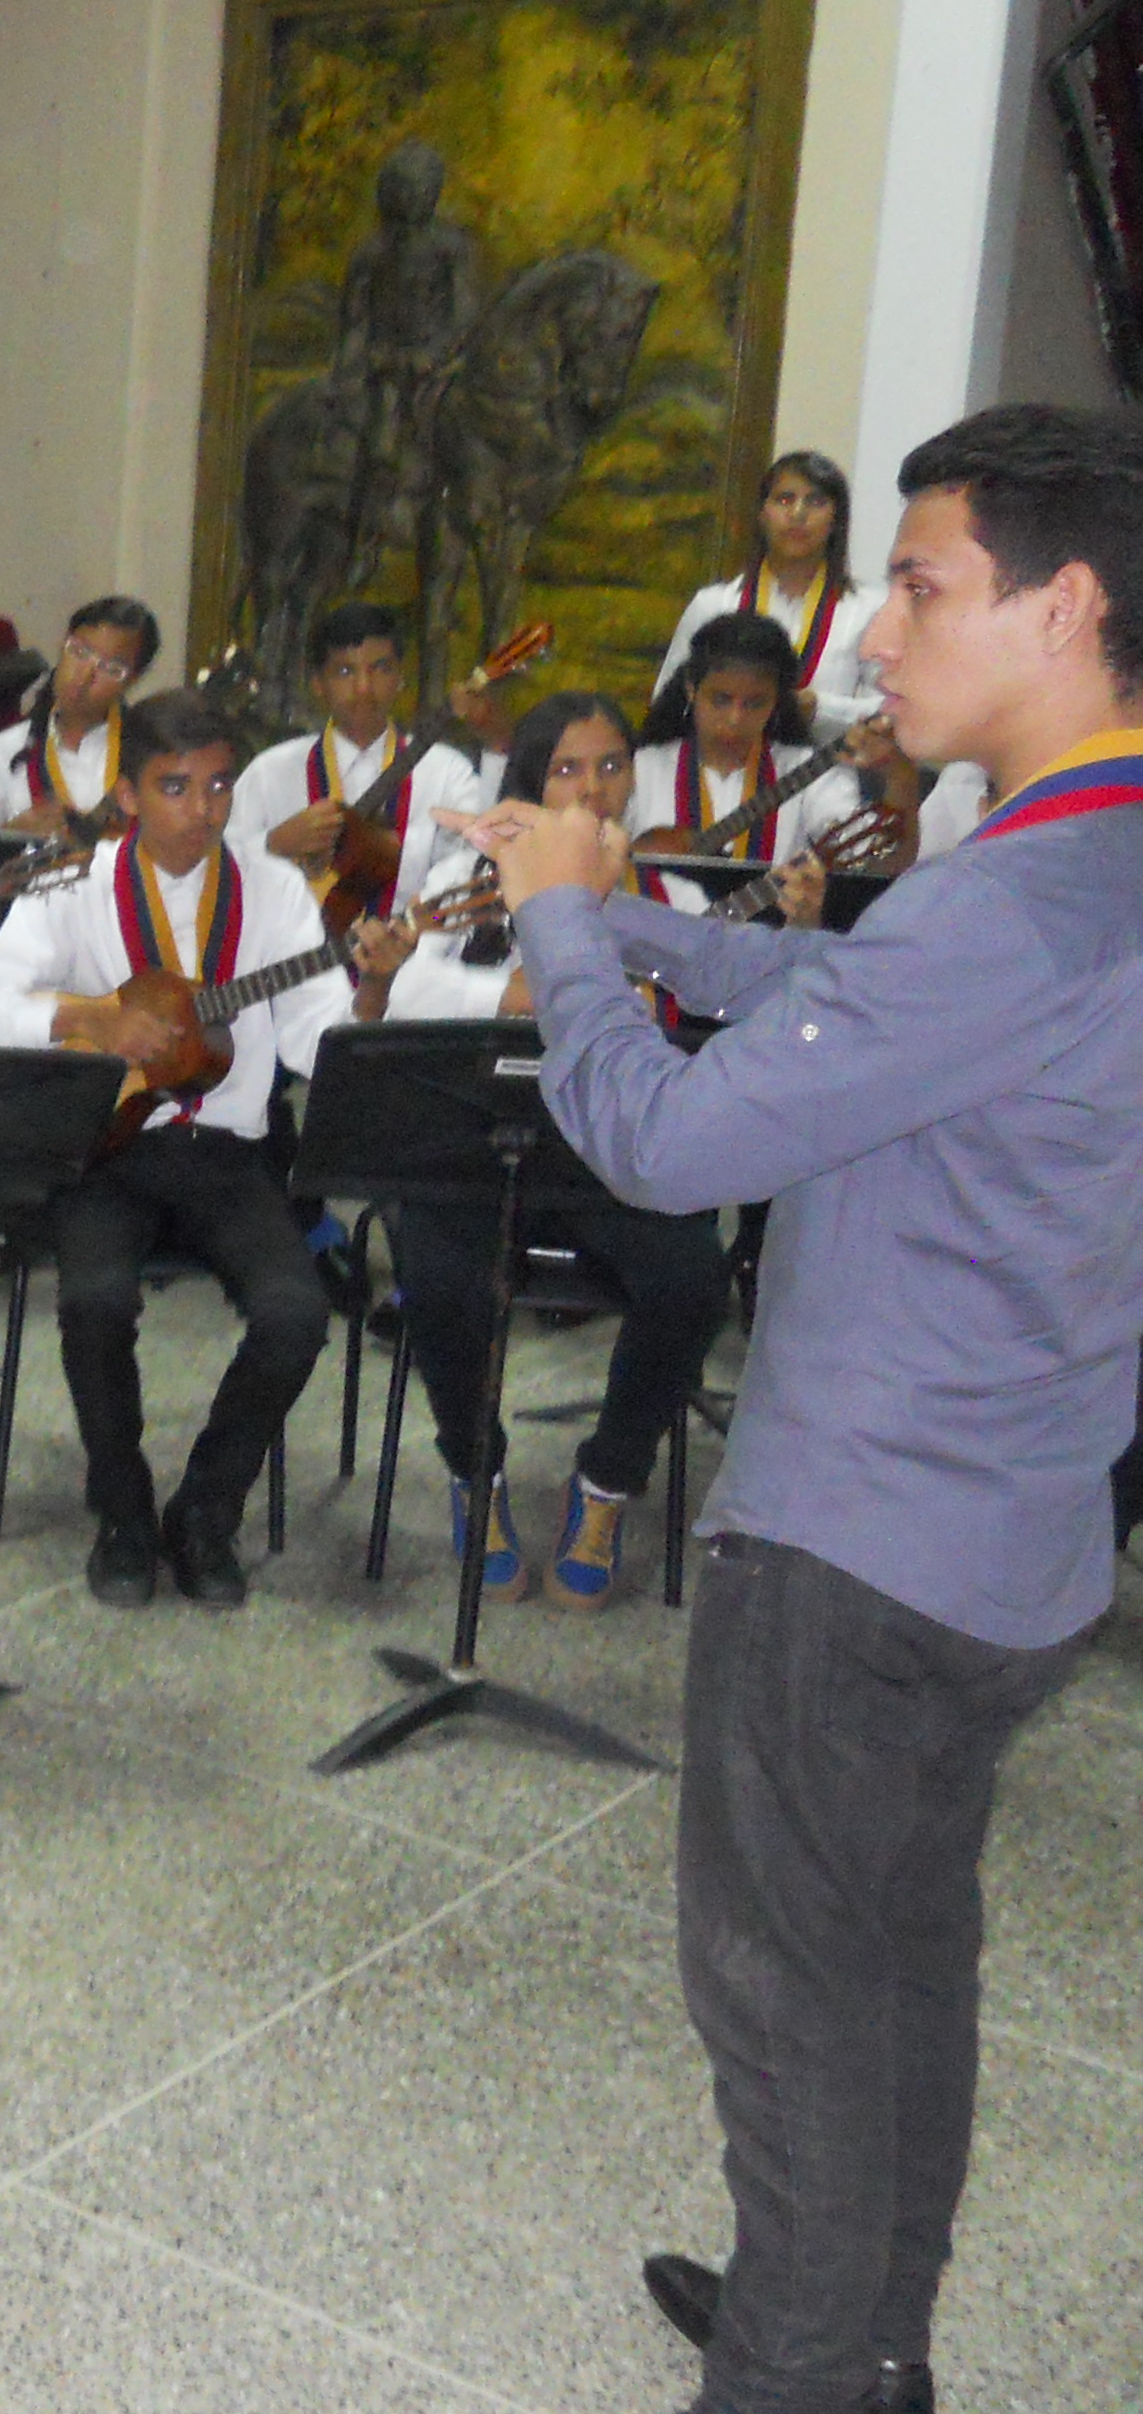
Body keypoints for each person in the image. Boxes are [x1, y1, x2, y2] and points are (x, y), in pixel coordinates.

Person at [456, 405, 1143, 2414]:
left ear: (1062, 605)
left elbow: (661, 1148)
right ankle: (853, 2329)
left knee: (781, 1987)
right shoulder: (1080, 864)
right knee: (898, 1953)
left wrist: (566, 938)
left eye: (918, 582)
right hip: (1012, 1528)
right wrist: (665, 932)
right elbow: (879, 1000)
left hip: (856, 1535)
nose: (869, 628)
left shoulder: (1005, 907)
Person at [0, 686, 386, 1606]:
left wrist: (373, 992)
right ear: (129, 792)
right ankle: (123, 1510)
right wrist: (93, 1018)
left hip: (227, 1149)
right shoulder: (74, 883)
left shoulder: (271, 893)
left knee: (297, 1314)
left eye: (220, 788)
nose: (204, 811)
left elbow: (316, 1038)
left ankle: (207, 1511)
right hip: (102, 1148)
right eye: (177, 788)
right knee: (96, 1300)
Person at [346, 690, 776, 1609]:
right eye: (568, 768)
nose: (592, 788)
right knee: (440, 1277)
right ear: (530, 781)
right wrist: (498, 1001)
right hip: (474, 1143)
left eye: (612, 764)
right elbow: (405, 984)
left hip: (622, 1159)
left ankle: (609, 1481)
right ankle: (474, 1472)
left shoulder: (672, 885)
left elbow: (724, 1017)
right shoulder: (474, 868)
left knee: (690, 1284)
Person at [235, 600, 495, 915]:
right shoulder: (270, 773)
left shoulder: (445, 772)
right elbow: (213, 869)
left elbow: (476, 863)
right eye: (345, 671)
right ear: (318, 683)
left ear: (400, 677)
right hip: (295, 960)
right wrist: (272, 843)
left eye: (381, 668)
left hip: (410, 958)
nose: (363, 688)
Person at [629, 614, 874, 907]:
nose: (735, 719)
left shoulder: (808, 770)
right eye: (721, 699)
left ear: (776, 702)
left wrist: (897, 778)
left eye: (755, 703)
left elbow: (864, 851)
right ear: (691, 690)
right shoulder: (639, 768)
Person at [653, 450, 877, 744]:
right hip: (719, 776)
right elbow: (667, 703)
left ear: (836, 520)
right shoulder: (714, 605)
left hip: (821, 779)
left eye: (816, 501)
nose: (798, 514)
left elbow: (895, 713)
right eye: (785, 499)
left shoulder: (868, 610)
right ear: (761, 514)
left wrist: (819, 708)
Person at [0, 596, 158, 834]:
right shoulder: (8, 750)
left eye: (110, 668)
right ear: (62, 644)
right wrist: (11, 834)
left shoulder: (151, 754)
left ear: (133, 680)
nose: (84, 676)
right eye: (79, 651)